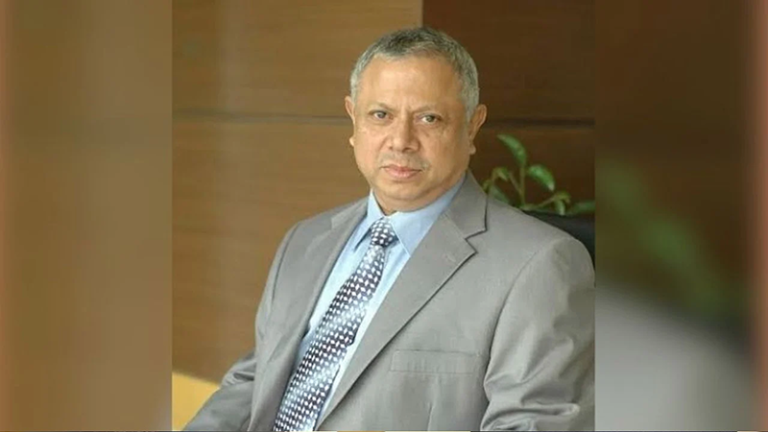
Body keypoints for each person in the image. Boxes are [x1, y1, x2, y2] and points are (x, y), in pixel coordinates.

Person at [185, 27, 594, 431]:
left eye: (429, 118)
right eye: (381, 115)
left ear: (472, 126)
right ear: (354, 120)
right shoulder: (305, 241)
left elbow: (535, 423)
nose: (401, 141)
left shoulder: (539, 266)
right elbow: (255, 382)